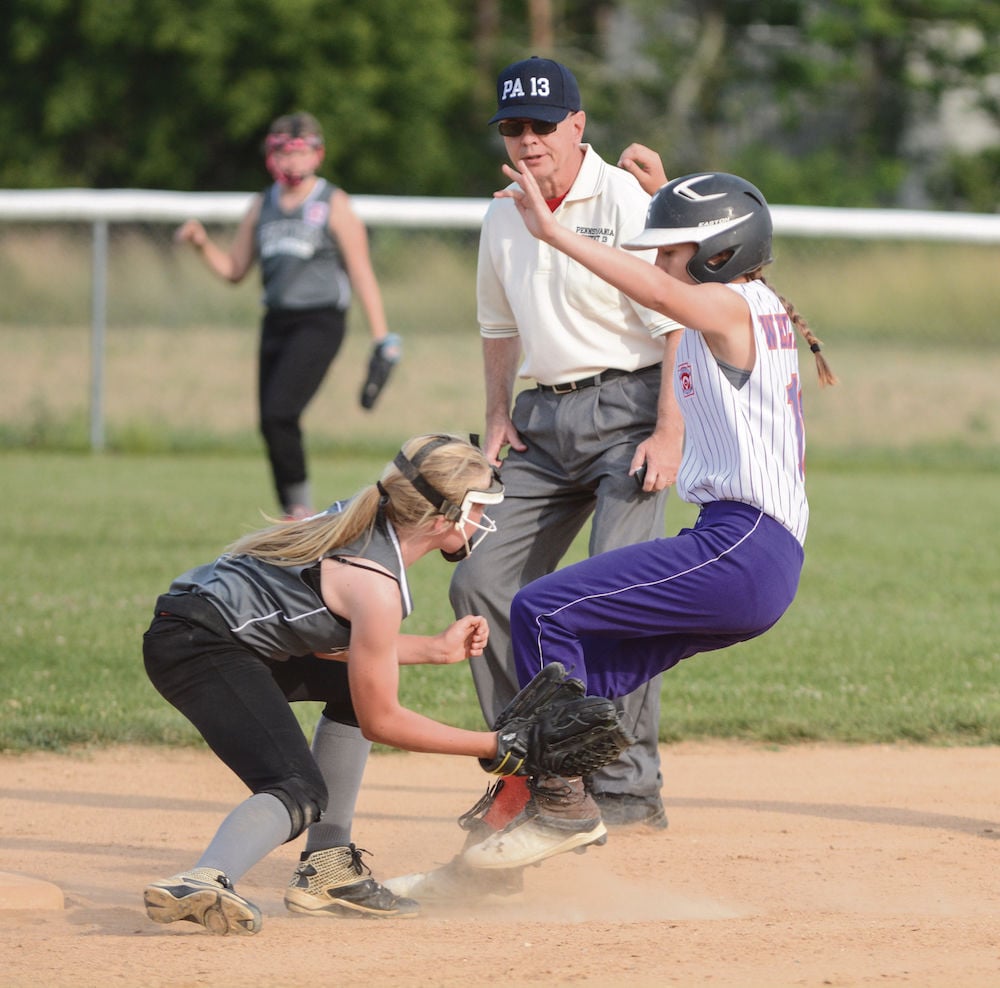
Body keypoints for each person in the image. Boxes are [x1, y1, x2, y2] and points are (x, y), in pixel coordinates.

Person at [457, 152, 837, 869]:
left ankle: (562, 806)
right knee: (586, 667)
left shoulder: (730, 307)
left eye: (672, 247)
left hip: (741, 547)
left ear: (720, 253)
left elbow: (666, 300)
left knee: (542, 612)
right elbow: (689, 282)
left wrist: (558, 235)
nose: (660, 261)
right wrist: (668, 198)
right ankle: (526, 796)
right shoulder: (749, 301)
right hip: (753, 558)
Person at [447, 56, 685, 850]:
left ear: (578, 126)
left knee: (615, 596)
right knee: (480, 581)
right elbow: (497, 327)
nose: (527, 140)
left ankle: (627, 786)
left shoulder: (625, 199)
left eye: (542, 126)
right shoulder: (501, 215)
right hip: (540, 425)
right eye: (513, 127)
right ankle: (543, 771)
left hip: (630, 413)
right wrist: (493, 420)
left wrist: (670, 428)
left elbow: (675, 320)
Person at [141, 434, 510, 935]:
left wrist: (435, 649)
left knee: (350, 690)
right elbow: (384, 722)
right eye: (480, 506)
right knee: (298, 787)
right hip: (199, 646)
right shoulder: (376, 582)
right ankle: (203, 880)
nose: (484, 519)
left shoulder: (366, 519)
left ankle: (328, 873)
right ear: (443, 517)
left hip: (207, 633)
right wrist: (496, 746)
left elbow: (324, 642)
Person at [175, 111, 400, 520]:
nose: (292, 162)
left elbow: (361, 271)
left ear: (318, 155)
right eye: (283, 152)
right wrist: (201, 243)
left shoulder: (332, 203)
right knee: (270, 422)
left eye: (301, 152)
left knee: (281, 412)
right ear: (271, 156)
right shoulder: (263, 204)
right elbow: (234, 271)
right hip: (275, 321)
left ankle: (300, 514)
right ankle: (293, 513)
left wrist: (382, 337)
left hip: (319, 320)